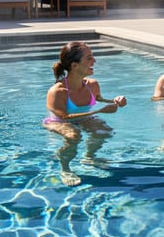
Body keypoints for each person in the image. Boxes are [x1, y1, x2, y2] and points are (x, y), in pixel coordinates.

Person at [43, 41, 127, 186]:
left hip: (84, 118)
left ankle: (89, 157)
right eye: (89, 58)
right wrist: (99, 111)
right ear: (75, 66)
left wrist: (116, 101)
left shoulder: (92, 85)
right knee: (74, 135)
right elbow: (63, 117)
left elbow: (99, 99)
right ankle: (65, 169)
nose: (94, 61)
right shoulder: (57, 91)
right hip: (58, 122)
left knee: (104, 131)